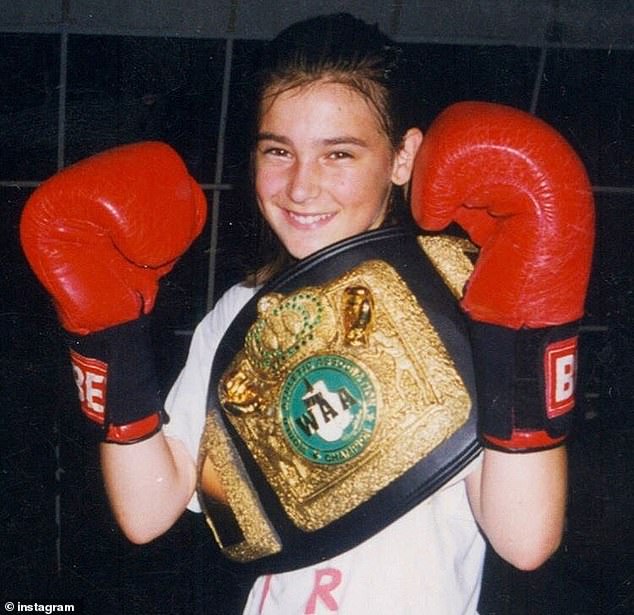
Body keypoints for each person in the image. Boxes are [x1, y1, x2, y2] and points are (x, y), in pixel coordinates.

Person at [21, 12, 594, 615]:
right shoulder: (242, 312)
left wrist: (531, 333)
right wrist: (111, 338)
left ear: (403, 158)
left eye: (339, 154)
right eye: (278, 150)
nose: (299, 187)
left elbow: (525, 541)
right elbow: (146, 512)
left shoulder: (466, 298)